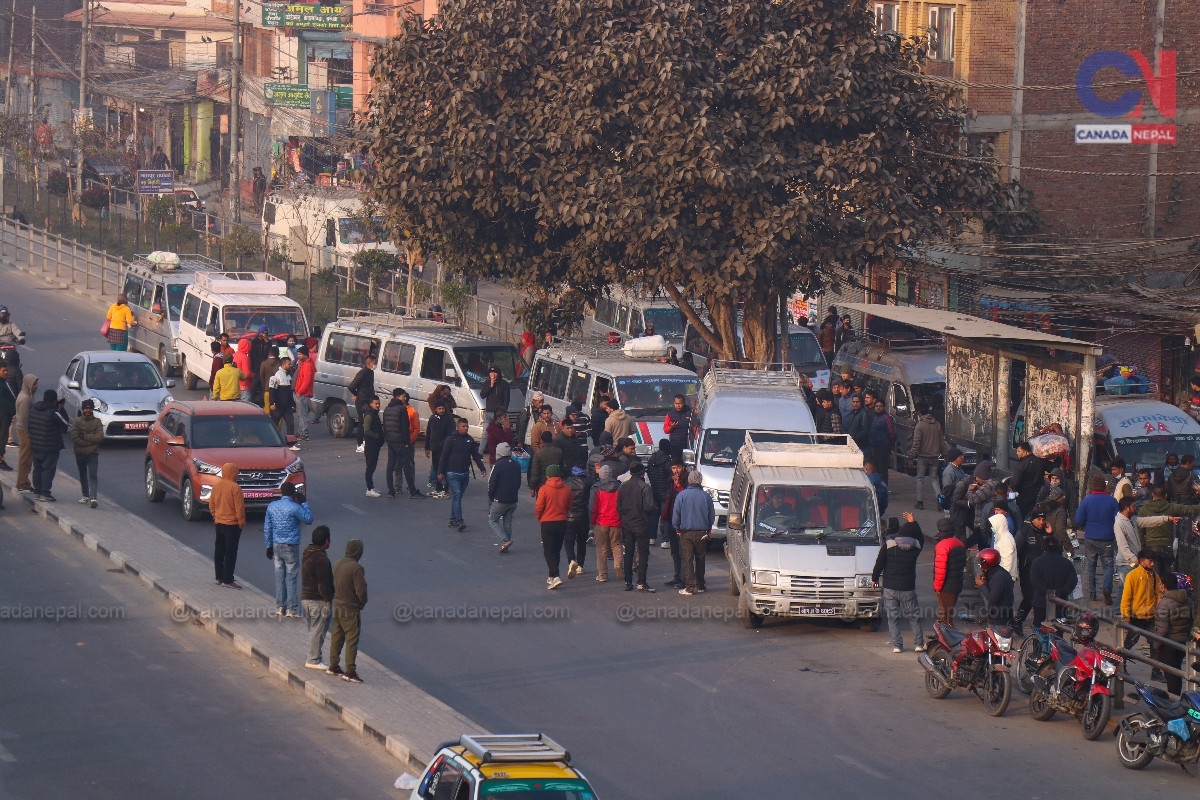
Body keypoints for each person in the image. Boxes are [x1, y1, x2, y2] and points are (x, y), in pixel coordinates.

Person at [872, 512, 925, 653]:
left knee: (892, 618)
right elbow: (921, 539)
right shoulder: (915, 547)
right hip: (908, 588)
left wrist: (874, 579)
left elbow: (879, 564)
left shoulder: (888, 546)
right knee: (914, 618)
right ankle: (919, 644)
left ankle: (897, 645)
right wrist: (914, 523)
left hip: (890, 588)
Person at [1130, 485, 1200, 581]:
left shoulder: (1144, 509)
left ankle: (1156, 594)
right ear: (1166, 496)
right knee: (1167, 577)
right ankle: (1166, 593)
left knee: (1154, 576)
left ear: (1153, 495)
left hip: (1151, 547)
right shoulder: (1171, 507)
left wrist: (1143, 546)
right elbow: (1191, 509)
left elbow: (1140, 530)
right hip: (1167, 546)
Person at [264, 482, 312, 617]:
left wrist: (268, 546)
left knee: (279, 576)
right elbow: (308, 520)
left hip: (276, 545)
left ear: (281, 491)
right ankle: (292, 608)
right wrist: (304, 503)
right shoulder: (295, 507)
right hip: (291, 546)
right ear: (293, 493)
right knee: (291, 576)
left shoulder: (272, 506)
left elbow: (268, 527)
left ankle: (280, 606)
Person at [1075, 475, 1120, 605]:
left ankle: (1092, 594)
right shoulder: (1112, 501)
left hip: (1090, 538)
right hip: (1108, 539)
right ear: (1105, 487)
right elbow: (1118, 519)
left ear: (1092, 487)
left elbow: (1078, 520)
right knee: (1108, 566)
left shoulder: (1087, 501)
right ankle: (1107, 589)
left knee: (1091, 566)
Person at [328, 539, 367, 683]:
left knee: (337, 637)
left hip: (337, 605)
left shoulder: (338, 563)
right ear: (358, 551)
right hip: (350, 609)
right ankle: (350, 671)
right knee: (351, 639)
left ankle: (333, 665)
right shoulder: (356, 568)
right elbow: (361, 591)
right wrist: (361, 603)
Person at [1114, 496, 1173, 589]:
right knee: (1124, 590)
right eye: (1133, 506)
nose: (1135, 508)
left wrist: (1166, 519)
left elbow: (1147, 521)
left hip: (1132, 562)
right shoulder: (1119, 523)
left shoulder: (1131, 520)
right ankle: (1120, 605)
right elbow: (1122, 545)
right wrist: (1134, 559)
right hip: (1126, 563)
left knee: (1130, 589)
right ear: (1126, 508)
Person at [439, 417, 486, 531]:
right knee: (458, 495)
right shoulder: (451, 439)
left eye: (467, 426)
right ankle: (460, 521)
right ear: (458, 427)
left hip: (465, 474)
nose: (466, 429)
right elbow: (443, 456)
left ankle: (452, 519)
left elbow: (475, 456)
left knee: (457, 497)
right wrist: (440, 472)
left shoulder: (469, 440)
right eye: (463, 427)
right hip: (452, 473)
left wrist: (482, 468)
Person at [672, 469, 714, 596]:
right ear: (700, 481)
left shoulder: (682, 495)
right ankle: (701, 585)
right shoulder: (706, 496)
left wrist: (677, 529)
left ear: (689, 481)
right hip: (702, 532)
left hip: (686, 533)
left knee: (687, 560)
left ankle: (689, 587)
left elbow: (676, 515)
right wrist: (709, 530)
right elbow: (711, 516)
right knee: (700, 559)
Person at [617, 462, 657, 592]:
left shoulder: (623, 486)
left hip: (627, 524)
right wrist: (655, 510)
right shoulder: (645, 487)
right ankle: (641, 581)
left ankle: (628, 581)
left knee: (628, 552)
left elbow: (619, 506)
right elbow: (648, 507)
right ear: (643, 473)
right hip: (641, 524)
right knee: (643, 553)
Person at [301, 525, 334, 671]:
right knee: (318, 631)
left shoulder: (307, 552)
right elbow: (323, 583)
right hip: (317, 600)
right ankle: (313, 659)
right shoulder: (321, 559)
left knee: (313, 629)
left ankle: (314, 656)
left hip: (306, 598)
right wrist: (328, 599)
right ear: (326, 541)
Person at [1154, 573, 1193, 696]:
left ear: (1164, 586)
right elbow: (1190, 622)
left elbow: (1162, 629)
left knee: (1171, 676)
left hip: (1168, 644)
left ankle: (1174, 702)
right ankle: (1175, 698)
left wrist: (1157, 645)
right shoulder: (1187, 600)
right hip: (1181, 642)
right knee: (1176, 673)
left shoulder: (1164, 603)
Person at [535, 464, 573, 589]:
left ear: (548, 475)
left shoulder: (544, 489)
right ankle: (551, 575)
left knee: (548, 550)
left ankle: (555, 576)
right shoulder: (567, 488)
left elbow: (539, 506)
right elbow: (569, 505)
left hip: (547, 522)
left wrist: (539, 517)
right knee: (556, 550)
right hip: (562, 522)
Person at [209, 462, 246, 589]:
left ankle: (219, 577)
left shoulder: (216, 486)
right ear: (234, 473)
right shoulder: (235, 488)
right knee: (230, 552)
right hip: (232, 525)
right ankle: (228, 579)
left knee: (219, 551)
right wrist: (241, 523)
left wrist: (215, 516)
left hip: (219, 523)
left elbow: (211, 504)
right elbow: (239, 508)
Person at [1013, 511, 1051, 632]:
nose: (1041, 522)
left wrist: (1051, 535)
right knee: (1030, 597)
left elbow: (1055, 549)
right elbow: (1015, 551)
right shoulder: (1024, 533)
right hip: (1027, 572)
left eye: (1043, 519)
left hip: (1043, 572)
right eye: (1038, 519)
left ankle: (1036, 624)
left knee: (1040, 598)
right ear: (1033, 520)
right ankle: (1018, 620)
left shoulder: (1047, 533)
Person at [28, 389, 68, 502]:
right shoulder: (53, 412)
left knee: (37, 468)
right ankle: (45, 493)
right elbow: (65, 423)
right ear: (54, 401)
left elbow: (29, 425)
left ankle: (37, 491)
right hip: (50, 447)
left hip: (35, 445)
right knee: (47, 469)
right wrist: (62, 409)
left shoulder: (34, 409)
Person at [383, 389, 423, 498]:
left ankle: (391, 491)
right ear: (397, 397)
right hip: (401, 442)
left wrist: (388, 439)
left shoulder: (387, 409)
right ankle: (412, 491)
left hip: (391, 442)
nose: (405, 398)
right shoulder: (402, 409)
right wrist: (406, 442)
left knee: (390, 466)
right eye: (403, 396)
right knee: (407, 466)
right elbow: (405, 427)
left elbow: (385, 427)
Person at [1029, 537, 1078, 626]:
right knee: (1058, 630)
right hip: (1060, 601)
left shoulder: (1037, 562)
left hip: (1041, 602)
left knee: (1039, 628)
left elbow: (1034, 580)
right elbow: (1073, 580)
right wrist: (1061, 592)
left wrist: (1047, 591)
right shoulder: (1066, 562)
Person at [1121, 549, 1163, 650]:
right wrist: (1126, 617)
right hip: (1136, 618)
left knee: (1155, 644)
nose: (1152, 564)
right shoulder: (1132, 576)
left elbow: (1159, 595)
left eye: (1153, 561)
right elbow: (1126, 598)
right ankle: (1121, 664)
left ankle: (1156, 666)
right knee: (1128, 644)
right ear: (1141, 561)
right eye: (1150, 561)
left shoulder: (1155, 576)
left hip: (1151, 618)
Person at [590, 464, 624, 583]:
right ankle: (618, 565)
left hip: (601, 522)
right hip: (616, 521)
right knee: (617, 545)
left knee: (601, 548)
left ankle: (603, 574)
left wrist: (592, 521)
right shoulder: (619, 487)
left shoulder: (596, 488)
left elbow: (592, 507)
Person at [908, 407, 945, 510]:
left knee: (920, 479)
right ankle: (939, 500)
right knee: (934, 478)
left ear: (920, 413)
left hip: (922, 456)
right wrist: (945, 454)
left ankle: (920, 502)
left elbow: (916, 443)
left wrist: (911, 456)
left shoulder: (920, 426)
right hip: (935, 456)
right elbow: (942, 441)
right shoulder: (937, 425)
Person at [488, 442, 522, 552]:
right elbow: (518, 482)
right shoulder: (516, 464)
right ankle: (506, 543)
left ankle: (504, 540)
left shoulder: (497, 465)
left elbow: (491, 483)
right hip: (513, 499)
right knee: (507, 522)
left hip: (500, 499)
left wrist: (491, 496)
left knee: (493, 520)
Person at [70, 399, 104, 508]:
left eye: (89, 408)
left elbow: (99, 437)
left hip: (93, 453)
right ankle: (85, 495)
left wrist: (84, 437)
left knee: (93, 475)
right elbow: (75, 437)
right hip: (80, 453)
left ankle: (93, 497)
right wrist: (90, 441)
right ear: (83, 409)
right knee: (82, 474)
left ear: (92, 409)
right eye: (86, 408)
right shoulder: (77, 421)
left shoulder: (97, 422)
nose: (88, 410)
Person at [659, 462, 688, 586]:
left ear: (683, 468)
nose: (676, 471)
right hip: (670, 520)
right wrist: (663, 518)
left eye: (678, 467)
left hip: (682, 523)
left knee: (683, 552)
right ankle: (677, 577)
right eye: (673, 468)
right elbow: (667, 501)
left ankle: (683, 579)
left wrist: (679, 485)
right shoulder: (670, 482)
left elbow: (686, 499)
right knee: (674, 551)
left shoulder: (687, 482)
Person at [932, 517, 965, 624]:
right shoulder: (959, 543)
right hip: (956, 585)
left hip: (945, 587)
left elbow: (940, 571)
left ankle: (947, 638)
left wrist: (937, 587)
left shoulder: (942, 546)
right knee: (948, 615)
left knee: (944, 617)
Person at [975, 547, 1015, 628]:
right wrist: (985, 583)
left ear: (987, 563)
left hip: (1000, 619)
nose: (980, 565)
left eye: (981, 562)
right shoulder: (997, 572)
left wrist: (982, 585)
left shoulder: (999, 577)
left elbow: (992, 599)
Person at [564, 465, 591, 578]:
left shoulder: (567, 483)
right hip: (583, 516)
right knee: (581, 542)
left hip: (569, 517)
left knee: (569, 542)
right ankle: (580, 566)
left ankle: (571, 561)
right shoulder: (588, 482)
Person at [348, 353, 377, 453]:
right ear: (369, 363)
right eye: (374, 363)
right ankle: (359, 444)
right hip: (361, 401)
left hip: (369, 400)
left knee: (369, 421)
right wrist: (357, 394)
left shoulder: (371, 373)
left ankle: (366, 442)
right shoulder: (362, 373)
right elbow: (351, 386)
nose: (375, 365)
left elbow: (370, 386)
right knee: (362, 422)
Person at [424, 401, 454, 497]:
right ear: (435, 409)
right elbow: (428, 433)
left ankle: (445, 490)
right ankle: (438, 488)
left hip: (444, 449)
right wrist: (427, 447)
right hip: (434, 448)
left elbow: (451, 435)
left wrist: (444, 444)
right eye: (439, 409)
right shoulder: (432, 418)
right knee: (437, 468)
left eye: (443, 409)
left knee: (444, 469)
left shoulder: (449, 419)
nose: (441, 410)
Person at [646, 439, 673, 545]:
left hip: (654, 490)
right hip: (665, 492)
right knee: (665, 516)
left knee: (653, 515)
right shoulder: (666, 460)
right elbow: (671, 474)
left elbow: (648, 472)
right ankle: (665, 540)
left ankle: (651, 537)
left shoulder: (652, 458)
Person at [1010, 441, 1045, 520]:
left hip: (1024, 497)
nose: (1017, 453)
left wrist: (1014, 488)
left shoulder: (1021, 465)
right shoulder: (1040, 461)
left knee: (1022, 518)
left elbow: (1015, 482)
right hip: (1039, 495)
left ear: (1025, 453)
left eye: (1019, 451)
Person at [13, 374, 37, 492]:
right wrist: (29, 434)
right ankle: (22, 483)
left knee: (27, 458)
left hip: (24, 430)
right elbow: (24, 418)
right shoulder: (25, 398)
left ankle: (23, 482)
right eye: (34, 384)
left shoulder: (27, 395)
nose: (36, 386)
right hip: (24, 431)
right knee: (25, 458)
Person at [268, 355, 298, 444]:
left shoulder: (288, 375)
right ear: (284, 364)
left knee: (290, 424)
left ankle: (291, 443)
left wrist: (293, 403)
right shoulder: (276, 375)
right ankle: (271, 441)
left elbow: (289, 392)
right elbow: (272, 390)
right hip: (278, 405)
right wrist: (271, 403)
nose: (290, 366)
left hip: (287, 406)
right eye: (289, 364)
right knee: (274, 424)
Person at [868, 400, 896, 484]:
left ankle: (884, 487)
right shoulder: (874, 417)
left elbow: (891, 433)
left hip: (883, 447)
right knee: (875, 468)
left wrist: (890, 444)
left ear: (884, 407)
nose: (878, 408)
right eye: (876, 406)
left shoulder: (886, 418)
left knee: (882, 470)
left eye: (880, 406)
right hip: (874, 446)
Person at [294, 345, 315, 441]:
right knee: (301, 414)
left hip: (303, 394)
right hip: (301, 393)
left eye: (299, 354)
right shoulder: (306, 364)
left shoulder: (307, 365)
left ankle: (304, 433)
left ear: (305, 355)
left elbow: (306, 381)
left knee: (303, 415)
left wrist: (299, 391)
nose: (298, 356)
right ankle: (301, 432)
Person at [0, 362, 14, 471]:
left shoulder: (3, 381)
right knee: (2, 438)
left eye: (6, 370)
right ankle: (1, 460)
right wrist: (12, 407)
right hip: (3, 415)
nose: (6, 373)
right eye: (3, 371)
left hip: (6, 414)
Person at [234, 336, 254, 402]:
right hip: (244, 386)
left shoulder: (234, 355)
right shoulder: (244, 357)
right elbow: (247, 374)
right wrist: (253, 375)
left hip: (234, 385)